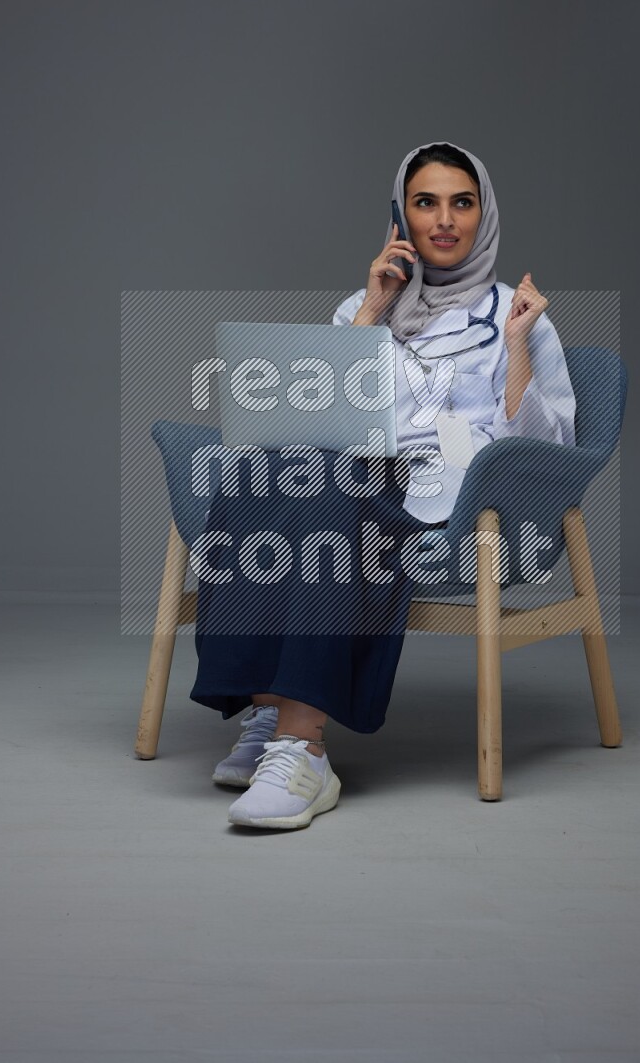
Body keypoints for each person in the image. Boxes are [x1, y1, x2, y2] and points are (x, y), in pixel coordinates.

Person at [192, 141, 576, 831]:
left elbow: (543, 449)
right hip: (362, 476)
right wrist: (372, 310)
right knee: (257, 470)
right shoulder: (360, 307)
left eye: (462, 202)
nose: (444, 219)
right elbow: (305, 416)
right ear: (400, 215)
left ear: (484, 213)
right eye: (425, 202)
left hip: (455, 502)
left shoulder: (520, 314)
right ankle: (269, 707)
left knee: (328, 496)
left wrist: (516, 343)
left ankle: (301, 746)